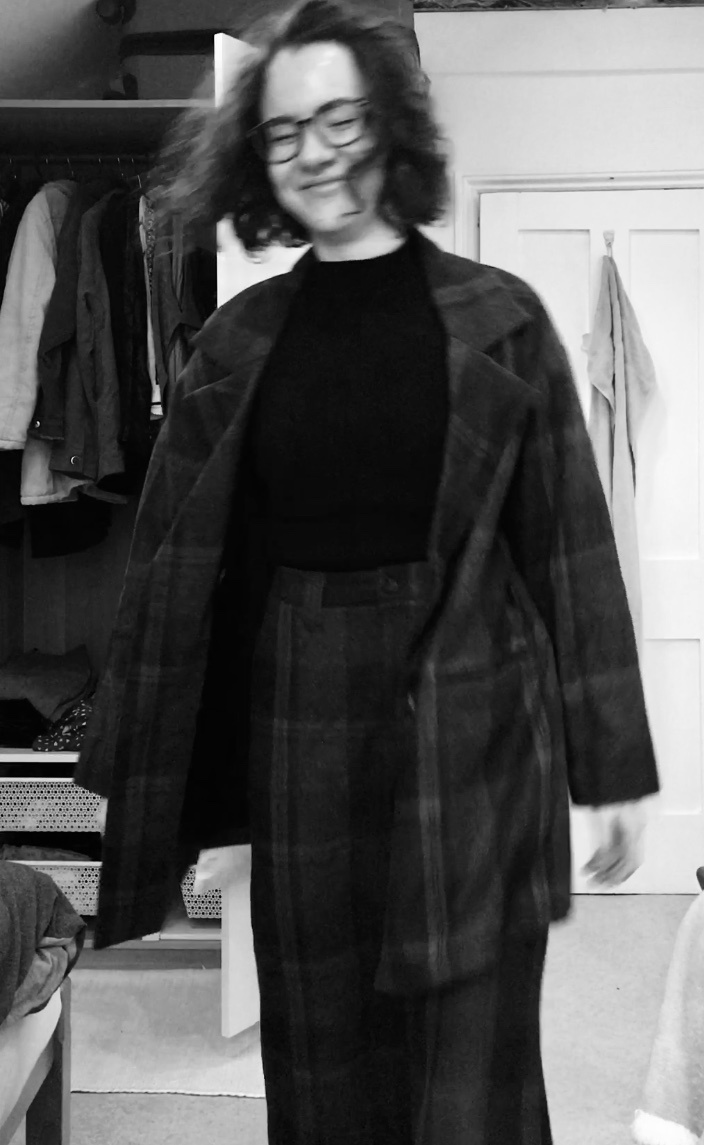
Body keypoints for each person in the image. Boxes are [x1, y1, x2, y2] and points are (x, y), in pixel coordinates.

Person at [73, 1, 660, 1142]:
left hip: (478, 724)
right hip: (304, 733)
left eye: (340, 118)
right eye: (285, 131)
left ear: (389, 125)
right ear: (259, 157)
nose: (316, 152)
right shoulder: (232, 346)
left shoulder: (502, 320)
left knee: (474, 1071)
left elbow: (570, 548)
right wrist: (189, 794)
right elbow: (184, 581)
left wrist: (613, 767)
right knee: (323, 1060)